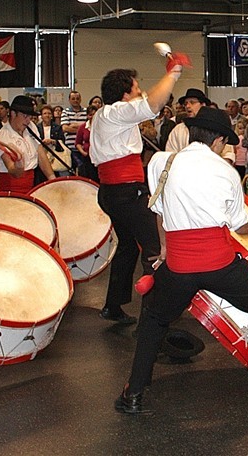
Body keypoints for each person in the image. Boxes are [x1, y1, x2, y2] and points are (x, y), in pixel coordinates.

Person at [115, 107, 248, 419]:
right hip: (220, 265)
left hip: (178, 266)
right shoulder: (224, 172)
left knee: (153, 320)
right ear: (219, 140)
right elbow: (240, 226)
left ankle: (133, 395)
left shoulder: (160, 163)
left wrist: (165, 250)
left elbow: (160, 212)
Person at [90, 61, 181, 325]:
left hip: (113, 192)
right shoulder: (115, 112)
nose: (140, 92)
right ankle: (153, 320)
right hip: (125, 192)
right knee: (155, 248)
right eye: (136, 88)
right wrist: (173, 73)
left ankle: (113, 305)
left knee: (128, 247)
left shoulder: (105, 115)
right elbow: (153, 103)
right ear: (124, 95)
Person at [0, 96, 55, 193]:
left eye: (30, 117)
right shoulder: (2, 137)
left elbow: (41, 154)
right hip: (9, 189)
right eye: (25, 116)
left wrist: (52, 179)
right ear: (13, 113)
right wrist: (19, 163)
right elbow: (14, 172)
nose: (28, 120)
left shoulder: (31, 127)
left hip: (29, 185)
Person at [61, 91, 88, 169]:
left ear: (80, 99)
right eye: (73, 99)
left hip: (84, 148)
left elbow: (89, 127)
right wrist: (82, 128)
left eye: (77, 98)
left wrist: (73, 125)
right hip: (70, 148)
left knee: (84, 171)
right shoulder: (65, 112)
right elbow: (65, 128)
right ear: (69, 100)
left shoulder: (86, 111)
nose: (75, 100)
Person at [75, 105, 100, 182]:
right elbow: (77, 143)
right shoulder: (82, 127)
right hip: (87, 158)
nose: (92, 117)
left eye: (94, 114)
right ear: (87, 116)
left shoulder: (102, 126)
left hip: (99, 157)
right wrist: (83, 152)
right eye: (90, 115)